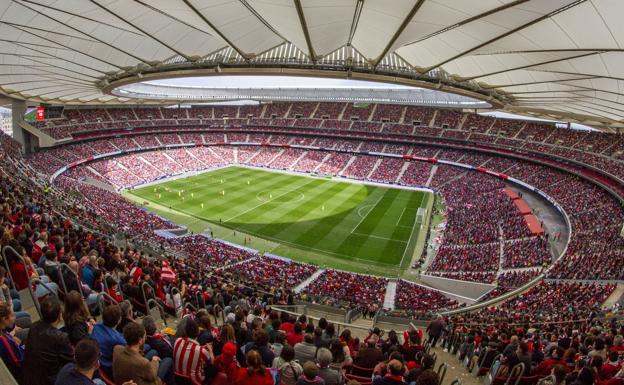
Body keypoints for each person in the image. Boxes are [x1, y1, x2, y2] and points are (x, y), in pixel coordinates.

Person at [23, 296, 74, 385]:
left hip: (31, 378)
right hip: (51, 380)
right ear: (60, 315)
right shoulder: (61, 338)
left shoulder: (33, 327)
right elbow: (71, 362)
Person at [173, 318, 214, 384]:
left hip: (177, 379)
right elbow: (212, 361)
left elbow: (189, 348)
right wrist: (211, 351)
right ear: (198, 332)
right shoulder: (201, 351)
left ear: (186, 332)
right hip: (194, 382)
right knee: (211, 367)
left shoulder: (177, 341)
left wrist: (201, 348)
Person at [91, 304, 127, 378]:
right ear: (118, 320)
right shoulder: (117, 340)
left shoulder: (97, 326)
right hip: (108, 368)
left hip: (98, 363)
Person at [0, 301, 24, 382]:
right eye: (12, 316)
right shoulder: (3, 341)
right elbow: (18, 363)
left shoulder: (3, 331)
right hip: (22, 368)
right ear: (4, 319)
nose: (14, 318)